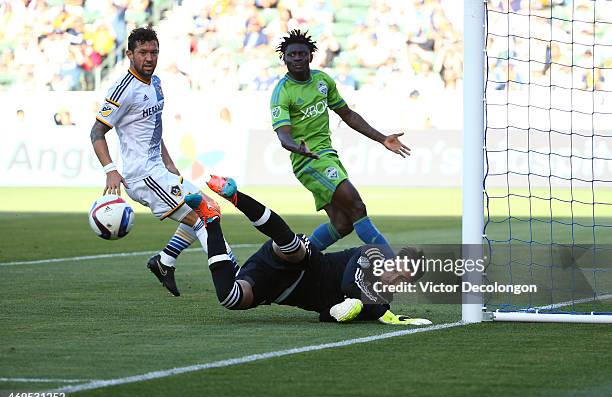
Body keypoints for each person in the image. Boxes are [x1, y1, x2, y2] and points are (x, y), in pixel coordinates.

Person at [89, 27, 235, 297]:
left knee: (209, 208)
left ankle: (165, 260)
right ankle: (233, 275)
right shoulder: (123, 90)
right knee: (205, 216)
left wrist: (168, 162)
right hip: (142, 176)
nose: (149, 58)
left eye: (154, 52)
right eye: (142, 52)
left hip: (159, 169)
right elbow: (96, 132)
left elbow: (153, 128)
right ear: (129, 54)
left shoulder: (155, 83)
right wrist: (111, 170)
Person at [185, 175, 432, 325]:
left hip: (279, 290)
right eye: (397, 271)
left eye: (402, 281)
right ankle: (235, 196)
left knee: (230, 298)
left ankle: (211, 219)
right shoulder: (373, 257)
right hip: (306, 265)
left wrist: (351, 309)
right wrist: (374, 309)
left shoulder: (381, 297)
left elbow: (327, 315)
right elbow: (349, 284)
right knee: (292, 247)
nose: (394, 279)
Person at [270, 30, 411, 253]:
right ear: (284, 58)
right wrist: (298, 147)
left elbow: (347, 115)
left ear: (310, 57)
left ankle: (299, 265)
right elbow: (283, 135)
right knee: (357, 207)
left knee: (342, 224)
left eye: (301, 53)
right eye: (291, 55)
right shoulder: (282, 93)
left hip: (327, 155)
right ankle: (392, 263)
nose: (296, 58)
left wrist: (382, 138)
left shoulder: (322, 81)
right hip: (309, 161)